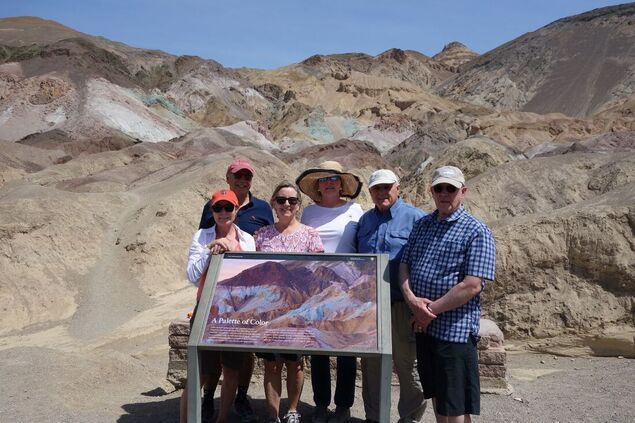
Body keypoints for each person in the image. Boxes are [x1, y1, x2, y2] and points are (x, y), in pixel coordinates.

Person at [399, 166, 496, 423]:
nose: (444, 193)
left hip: (454, 331)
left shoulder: (476, 231)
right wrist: (411, 299)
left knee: (456, 403)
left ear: (462, 191)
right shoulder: (422, 225)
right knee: (439, 397)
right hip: (425, 328)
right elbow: (404, 264)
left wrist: (428, 311)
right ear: (432, 191)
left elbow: (472, 285)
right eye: (439, 188)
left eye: (450, 188)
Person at [197, 158, 273, 422]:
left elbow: (267, 242)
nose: (242, 180)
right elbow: (203, 245)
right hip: (217, 293)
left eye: (246, 177)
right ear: (228, 178)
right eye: (237, 176)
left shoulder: (262, 208)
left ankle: (240, 396)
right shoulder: (213, 206)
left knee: (243, 351)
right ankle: (207, 398)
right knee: (213, 349)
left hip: (246, 294)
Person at [295, 161, 364, 423]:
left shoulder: (355, 210)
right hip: (316, 288)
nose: (329, 183)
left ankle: (344, 405)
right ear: (317, 185)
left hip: (348, 288)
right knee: (318, 347)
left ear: (341, 183)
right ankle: (321, 404)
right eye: (324, 179)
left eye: (334, 178)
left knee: (347, 348)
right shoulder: (309, 213)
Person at [356, 169, 426, 423]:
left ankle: (410, 418)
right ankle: (374, 418)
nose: (382, 192)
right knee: (371, 366)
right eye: (376, 188)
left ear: (398, 188)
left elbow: (425, 263)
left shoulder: (417, 218)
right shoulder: (365, 221)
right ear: (371, 192)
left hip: (401, 306)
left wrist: (418, 305)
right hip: (370, 307)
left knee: (409, 366)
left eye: (387, 187)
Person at [182, 189, 257, 423]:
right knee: (199, 372)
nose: (223, 213)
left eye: (228, 208)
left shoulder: (247, 239)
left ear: (236, 210)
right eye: (218, 208)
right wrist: (211, 250)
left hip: (236, 313)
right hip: (207, 310)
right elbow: (193, 275)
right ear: (212, 211)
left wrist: (231, 248)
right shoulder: (202, 237)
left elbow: (251, 276)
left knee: (232, 370)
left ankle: (222, 419)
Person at [254, 181, 325, 423]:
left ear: (298, 205)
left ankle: (293, 410)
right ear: (273, 203)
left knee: (295, 363)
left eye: (292, 200)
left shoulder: (310, 235)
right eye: (281, 200)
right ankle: (273, 414)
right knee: (272, 364)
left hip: (299, 311)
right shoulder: (261, 236)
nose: (286, 204)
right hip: (269, 311)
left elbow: (317, 274)